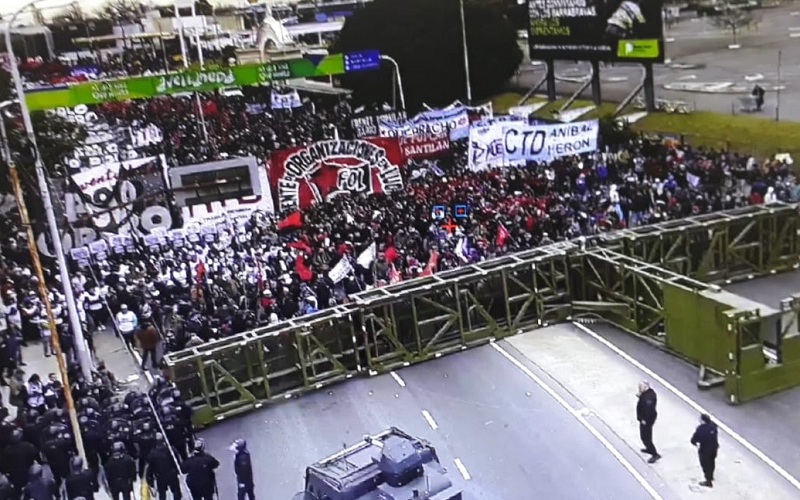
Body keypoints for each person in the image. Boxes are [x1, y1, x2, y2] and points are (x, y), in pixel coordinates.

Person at [146, 433, 182, 500]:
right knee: (176, 492)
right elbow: (177, 461)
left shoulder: (152, 454)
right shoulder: (170, 450)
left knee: (162, 494)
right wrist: (177, 470)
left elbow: (150, 468)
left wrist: (149, 479)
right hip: (172, 474)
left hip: (160, 476)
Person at [691, 413, 719, 488]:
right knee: (712, 463)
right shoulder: (713, 426)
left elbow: (694, 439)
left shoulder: (700, 429)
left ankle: (708, 481)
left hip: (705, 450)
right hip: (714, 448)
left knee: (705, 465)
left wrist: (694, 443)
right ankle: (711, 476)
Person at [636, 381, 660, 463]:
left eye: (640, 388)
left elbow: (648, 411)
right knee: (645, 436)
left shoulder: (649, 398)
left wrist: (644, 420)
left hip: (647, 420)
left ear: (646, 387)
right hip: (645, 419)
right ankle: (649, 448)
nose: (639, 389)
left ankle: (654, 454)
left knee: (646, 437)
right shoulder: (647, 394)